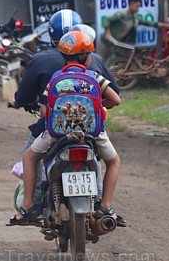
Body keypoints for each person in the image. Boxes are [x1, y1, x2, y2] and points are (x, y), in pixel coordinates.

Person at [8, 30, 122, 226]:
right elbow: (116, 99)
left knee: (29, 156)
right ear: (85, 56)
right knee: (113, 162)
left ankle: (28, 206)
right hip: (92, 134)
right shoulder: (94, 77)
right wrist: (96, 104)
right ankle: (105, 206)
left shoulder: (54, 80)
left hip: (56, 134)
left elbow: (44, 111)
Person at [99, 0, 169, 61]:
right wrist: (108, 31)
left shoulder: (136, 18)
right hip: (106, 42)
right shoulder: (121, 15)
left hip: (117, 44)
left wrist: (165, 25)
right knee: (100, 60)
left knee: (121, 60)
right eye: (137, 6)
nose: (138, 9)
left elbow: (150, 23)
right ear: (131, 5)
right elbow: (107, 20)